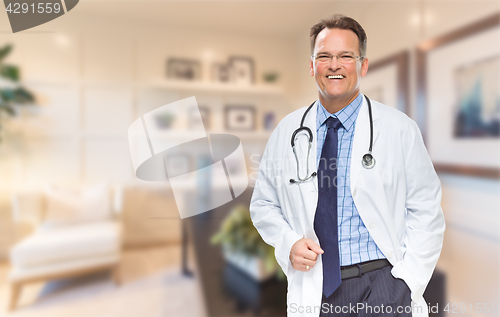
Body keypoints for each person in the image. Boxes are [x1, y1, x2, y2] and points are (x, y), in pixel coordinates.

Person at [249, 14, 445, 317]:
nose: (334, 65)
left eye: (346, 56)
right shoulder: (287, 131)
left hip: (385, 283)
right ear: (312, 66)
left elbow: (426, 210)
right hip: (317, 285)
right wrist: (288, 242)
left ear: (363, 65)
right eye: (324, 56)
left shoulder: (399, 129)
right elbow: (263, 204)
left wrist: (408, 282)